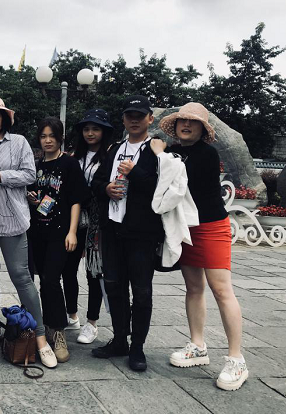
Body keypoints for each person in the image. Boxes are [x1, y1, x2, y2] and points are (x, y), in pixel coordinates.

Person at [154, 102, 248, 391]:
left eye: (193, 122)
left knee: (221, 290)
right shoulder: (172, 151)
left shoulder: (208, 154)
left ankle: (237, 359)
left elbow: (182, 179)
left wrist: (159, 155)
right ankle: (197, 345)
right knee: (193, 288)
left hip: (211, 227)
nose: (186, 125)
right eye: (182, 120)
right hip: (185, 227)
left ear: (202, 129)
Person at [0, 96, 58, 368]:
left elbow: (29, 174)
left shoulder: (18, 142)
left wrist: (1, 176)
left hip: (12, 220)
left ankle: (40, 336)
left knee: (21, 276)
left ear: (4, 117)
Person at [91, 94, 163, 372]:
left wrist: (134, 173)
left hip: (142, 233)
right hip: (113, 229)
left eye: (139, 116)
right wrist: (106, 188)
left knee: (142, 291)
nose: (134, 120)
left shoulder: (156, 150)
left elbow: (161, 187)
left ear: (150, 119)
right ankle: (120, 339)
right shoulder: (115, 149)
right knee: (113, 286)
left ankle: (137, 347)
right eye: (129, 116)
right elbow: (97, 181)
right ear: (123, 119)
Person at [26, 117, 89, 363]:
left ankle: (59, 331)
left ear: (60, 137)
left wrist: (72, 232)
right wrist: (32, 198)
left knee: (52, 279)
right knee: (43, 280)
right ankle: (48, 326)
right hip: (37, 232)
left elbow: (76, 200)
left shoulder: (69, 164)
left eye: (52, 136)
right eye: (43, 136)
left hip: (60, 232)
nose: (48, 140)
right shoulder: (36, 165)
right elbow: (36, 195)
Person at [67, 109, 114, 344]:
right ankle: (71, 314)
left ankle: (92, 322)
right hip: (75, 219)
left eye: (95, 129)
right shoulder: (75, 157)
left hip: (98, 222)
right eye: (86, 129)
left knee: (94, 272)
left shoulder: (111, 156)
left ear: (104, 132)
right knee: (68, 268)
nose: (90, 133)